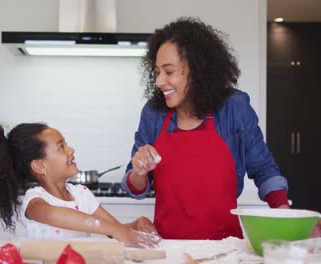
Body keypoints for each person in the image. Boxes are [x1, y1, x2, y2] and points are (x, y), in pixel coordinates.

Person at [121, 17, 292, 240]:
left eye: (169, 72)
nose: (160, 81)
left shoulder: (234, 107)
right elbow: (134, 188)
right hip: (168, 249)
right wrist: (138, 172)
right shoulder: (154, 113)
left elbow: (263, 168)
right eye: (157, 72)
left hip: (225, 249)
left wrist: (284, 213)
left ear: (197, 70)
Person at [0, 123, 160, 248]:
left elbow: (115, 230)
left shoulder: (81, 194)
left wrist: (134, 226)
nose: (71, 150)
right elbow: (52, 214)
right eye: (61, 147)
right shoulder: (36, 200)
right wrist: (110, 229)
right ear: (39, 165)